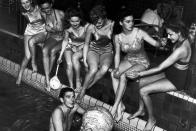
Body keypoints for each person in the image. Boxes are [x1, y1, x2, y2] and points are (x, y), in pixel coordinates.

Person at [127, 20, 191, 131]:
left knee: (143, 91)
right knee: (141, 81)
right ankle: (141, 110)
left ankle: (152, 119)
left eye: (171, 34)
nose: (169, 36)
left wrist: (138, 73)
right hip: (170, 72)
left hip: (176, 80)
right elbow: (170, 53)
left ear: (179, 32)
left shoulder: (182, 49)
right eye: (168, 34)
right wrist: (166, 44)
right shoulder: (181, 39)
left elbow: (160, 67)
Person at [110, 9, 166, 122]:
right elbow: (117, 54)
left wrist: (162, 43)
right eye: (127, 21)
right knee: (113, 74)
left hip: (142, 61)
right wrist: (116, 67)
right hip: (129, 59)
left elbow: (155, 44)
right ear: (121, 23)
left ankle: (115, 107)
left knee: (123, 76)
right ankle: (120, 106)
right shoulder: (118, 36)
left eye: (132, 21)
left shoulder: (139, 33)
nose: (131, 24)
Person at [76, 5, 114, 100]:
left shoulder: (112, 23)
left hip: (107, 50)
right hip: (93, 49)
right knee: (93, 69)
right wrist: (84, 59)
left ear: (104, 17)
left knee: (104, 69)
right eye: (95, 22)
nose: (97, 24)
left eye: (99, 22)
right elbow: (86, 44)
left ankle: (87, 86)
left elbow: (115, 39)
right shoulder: (91, 27)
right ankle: (84, 90)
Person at [29, 0, 65, 91]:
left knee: (52, 52)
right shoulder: (43, 13)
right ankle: (48, 79)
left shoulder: (60, 14)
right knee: (44, 50)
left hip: (63, 38)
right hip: (53, 37)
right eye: (44, 9)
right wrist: (46, 31)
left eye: (48, 7)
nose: (46, 10)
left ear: (52, 4)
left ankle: (48, 74)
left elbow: (70, 28)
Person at [16, 0, 47, 85]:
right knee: (27, 56)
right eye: (23, 3)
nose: (25, 5)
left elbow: (47, 22)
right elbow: (29, 23)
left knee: (33, 42)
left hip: (42, 31)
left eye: (27, 2)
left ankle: (34, 63)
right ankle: (19, 75)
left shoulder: (40, 8)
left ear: (31, 1)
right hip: (30, 31)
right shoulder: (23, 12)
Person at [57, 8, 89, 89]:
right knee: (69, 64)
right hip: (70, 45)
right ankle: (71, 86)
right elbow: (65, 41)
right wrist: (60, 56)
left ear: (80, 19)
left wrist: (80, 48)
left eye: (77, 21)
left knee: (75, 58)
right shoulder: (68, 29)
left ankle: (78, 80)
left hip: (83, 47)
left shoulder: (86, 27)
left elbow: (87, 42)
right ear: (68, 20)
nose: (75, 23)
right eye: (72, 21)